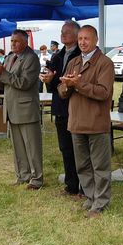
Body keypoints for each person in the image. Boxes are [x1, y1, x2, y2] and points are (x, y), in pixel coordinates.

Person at [57, 25, 114, 218]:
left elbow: (103, 92)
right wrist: (66, 86)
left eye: (86, 39)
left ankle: (101, 203)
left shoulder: (105, 63)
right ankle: (90, 198)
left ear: (96, 40)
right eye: (80, 38)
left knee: (100, 166)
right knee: (82, 165)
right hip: (77, 122)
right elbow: (61, 91)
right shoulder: (73, 62)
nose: (82, 42)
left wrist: (78, 84)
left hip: (96, 122)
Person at [0, 29, 43, 190]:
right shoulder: (10, 57)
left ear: (25, 42)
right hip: (12, 108)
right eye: (12, 41)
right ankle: (23, 175)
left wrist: (3, 73)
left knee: (32, 146)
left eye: (16, 41)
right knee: (18, 146)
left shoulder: (31, 58)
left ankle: (37, 179)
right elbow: (5, 83)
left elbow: (24, 83)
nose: (13, 44)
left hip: (26, 108)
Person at [41, 21, 82, 198]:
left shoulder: (82, 55)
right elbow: (52, 83)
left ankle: (83, 185)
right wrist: (48, 80)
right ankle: (71, 185)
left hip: (77, 107)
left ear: (75, 34)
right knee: (65, 148)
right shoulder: (58, 55)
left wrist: (58, 80)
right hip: (60, 107)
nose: (62, 35)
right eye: (61, 32)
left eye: (66, 32)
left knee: (79, 149)